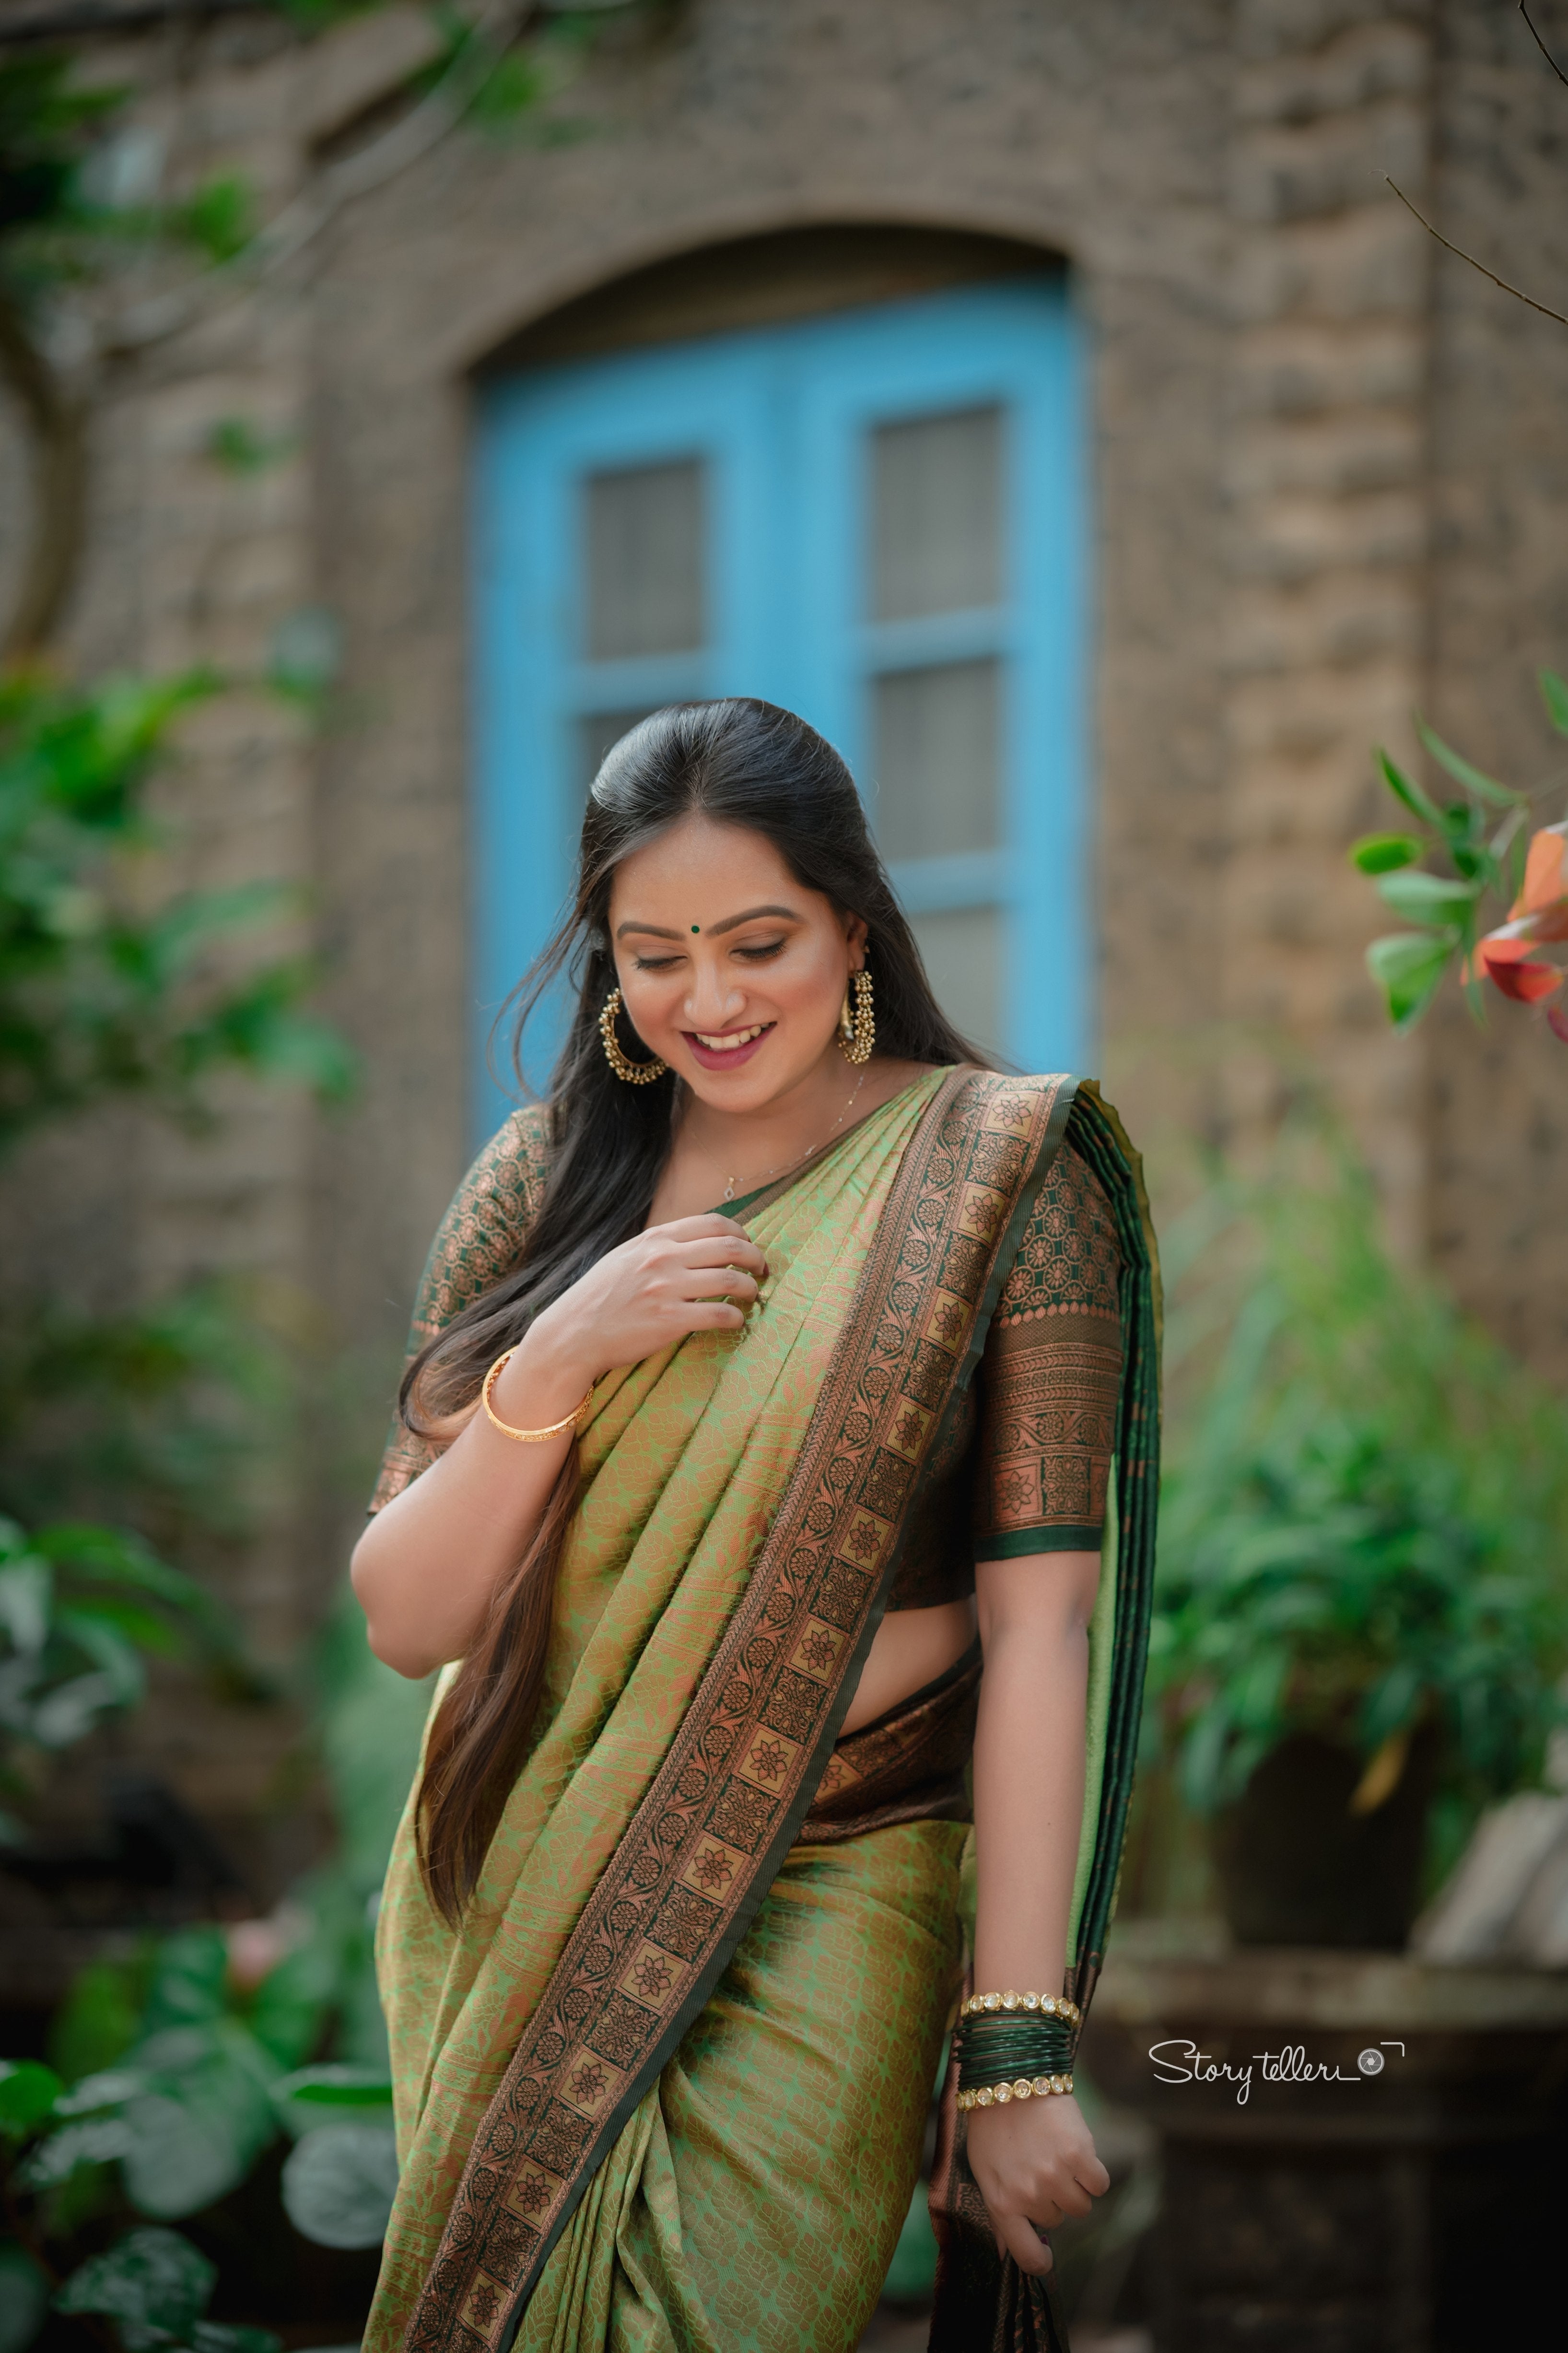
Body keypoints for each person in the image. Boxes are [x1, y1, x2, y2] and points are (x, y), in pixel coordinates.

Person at [351, 700, 1159, 2353]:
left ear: (853, 922)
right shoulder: (544, 1181)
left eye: (758, 941)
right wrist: (562, 1348)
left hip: (846, 1879)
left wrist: (1014, 2045)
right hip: (528, 1881)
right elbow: (407, 1616)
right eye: (654, 956)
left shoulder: (1000, 1181)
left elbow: (1041, 1636)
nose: (709, 1002)